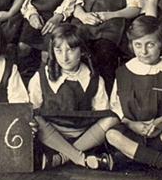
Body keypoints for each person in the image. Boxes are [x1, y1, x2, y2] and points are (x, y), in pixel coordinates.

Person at [105, 15, 162, 179]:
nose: (144, 51)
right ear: (131, 45)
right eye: (138, 45)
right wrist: (131, 124)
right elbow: (116, 107)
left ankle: (132, 157)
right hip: (133, 130)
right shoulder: (123, 72)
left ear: (161, 44)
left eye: (150, 45)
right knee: (110, 134)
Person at [28, 24, 114, 170]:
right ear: (52, 51)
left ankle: (60, 158)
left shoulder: (93, 78)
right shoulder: (42, 75)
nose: (64, 57)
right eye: (58, 50)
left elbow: (102, 112)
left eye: (71, 50)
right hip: (51, 135)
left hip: (84, 135)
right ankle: (79, 158)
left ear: (82, 51)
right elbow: (32, 109)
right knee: (34, 116)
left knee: (112, 118)